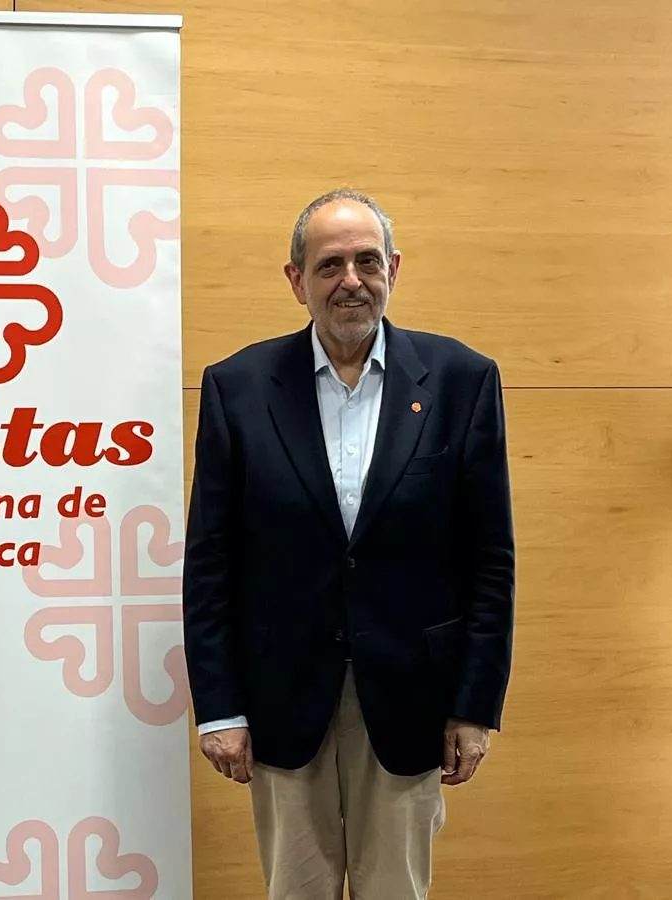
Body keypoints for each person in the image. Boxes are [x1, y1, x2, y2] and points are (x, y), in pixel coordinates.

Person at [181, 188, 515, 899]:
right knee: (295, 889)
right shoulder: (238, 388)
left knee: (396, 889)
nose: (352, 281)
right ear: (296, 280)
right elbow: (211, 562)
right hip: (281, 698)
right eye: (329, 265)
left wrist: (475, 704)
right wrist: (219, 708)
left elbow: (490, 560)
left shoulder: (462, 381)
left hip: (412, 700)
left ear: (393, 267)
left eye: (368, 261)